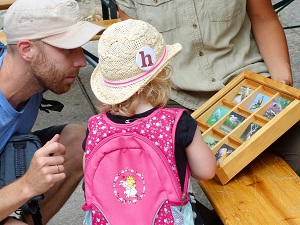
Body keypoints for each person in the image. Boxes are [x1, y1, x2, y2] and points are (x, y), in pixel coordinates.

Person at [115, 0, 300, 176]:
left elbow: (265, 19)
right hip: (176, 97)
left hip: (248, 83)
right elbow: (135, 54)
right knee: (154, 170)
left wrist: (281, 83)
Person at [82, 19, 217, 224]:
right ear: (161, 75)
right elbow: (206, 171)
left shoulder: (96, 127)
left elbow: (88, 179)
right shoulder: (176, 122)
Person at [0, 0, 105, 224]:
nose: (81, 61)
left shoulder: (30, 72)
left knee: (78, 142)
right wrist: (27, 185)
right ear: (26, 49)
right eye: (68, 48)